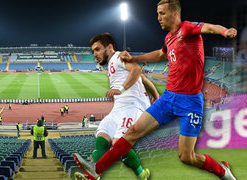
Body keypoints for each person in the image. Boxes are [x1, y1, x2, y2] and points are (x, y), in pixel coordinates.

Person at [74, 1, 237, 180]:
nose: (158, 18)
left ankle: (222, 171)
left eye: (162, 13)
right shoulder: (169, 38)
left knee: (186, 157)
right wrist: (135, 57)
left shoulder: (187, 28)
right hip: (168, 98)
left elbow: (209, 27)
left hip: (190, 102)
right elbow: (160, 54)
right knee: (132, 132)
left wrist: (224, 31)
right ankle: (97, 169)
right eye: (157, 14)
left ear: (174, 14)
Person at [74, 32, 160, 180]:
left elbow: (137, 70)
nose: (94, 54)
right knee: (102, 135)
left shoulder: (119, 56)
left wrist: (120, 89)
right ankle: (93, 174)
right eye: (93, 50)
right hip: (118, 108)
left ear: (109, 47)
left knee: (119, 143)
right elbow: (143, 78)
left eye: (97, 49)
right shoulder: (112, 64)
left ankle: (141, 174)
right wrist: (156, 96)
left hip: (133, 106)